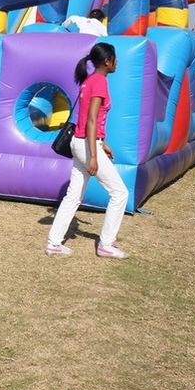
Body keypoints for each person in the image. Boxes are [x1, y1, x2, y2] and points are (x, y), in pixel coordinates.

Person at [46, 42, 129, 258]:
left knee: (73, 195)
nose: (117, 62)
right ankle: (106, 244)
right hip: (86, 144)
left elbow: (88, 120)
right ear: (107, 61)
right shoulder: (99, 82)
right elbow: (91, 120)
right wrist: (94, 155)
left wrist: (103, 144)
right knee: (120, 193)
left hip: (81, 141)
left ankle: (54, 243)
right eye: (115, 58)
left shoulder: (89, 81)